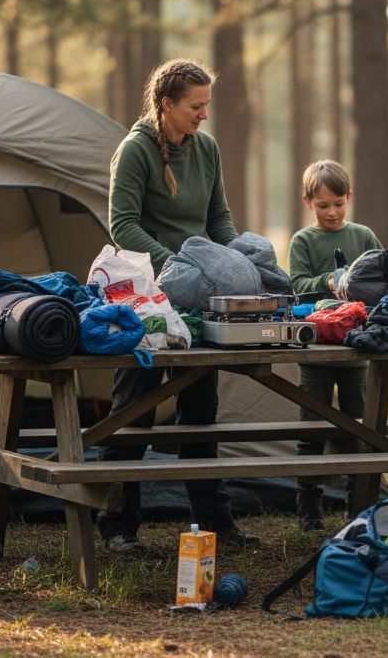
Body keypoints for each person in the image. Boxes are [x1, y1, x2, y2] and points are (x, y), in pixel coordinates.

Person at [98, 58, 257, 553]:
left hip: (197, 296)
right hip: (144, 295)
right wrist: (179, 263)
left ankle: (215, 521)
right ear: (166, 104)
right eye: (196, 106)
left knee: (200, 407)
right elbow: (122, 225)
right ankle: (118, 526)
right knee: (133, 409)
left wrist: (232, 261)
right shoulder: (135, 151)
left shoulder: (205, 149)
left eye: (206, 105)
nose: (203, 115)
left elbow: (219, 217)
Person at [287, 159, 383, 530]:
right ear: (308, 201)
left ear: (349, 198)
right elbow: (297, 285)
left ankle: (358, 508)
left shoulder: (363, 236)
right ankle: (308, 510)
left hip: (357, 350)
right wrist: (329, 281)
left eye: (338, 204)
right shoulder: (304, 240)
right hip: (314, 351)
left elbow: (381, 276)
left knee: (360, 427)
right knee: (311, 428)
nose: (332, 212)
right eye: (323, 205)